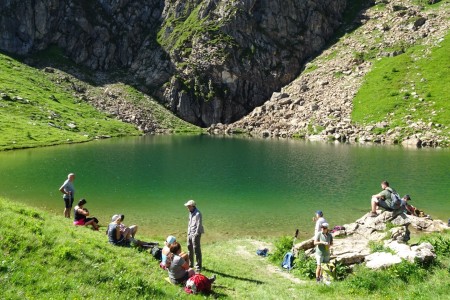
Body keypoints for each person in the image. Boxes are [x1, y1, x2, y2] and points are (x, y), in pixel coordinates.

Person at [185, 199, 204, 272]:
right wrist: (188, 233)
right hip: (189, 233)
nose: (187, 208)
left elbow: (199, 225)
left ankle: (198, 266)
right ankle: (190, 264)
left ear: (192, 206)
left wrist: (196, 234)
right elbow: (189, 223)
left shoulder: (198, 214)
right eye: (187, 206)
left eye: (188, 206)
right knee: (189, 248)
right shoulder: (190, 212)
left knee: (196, 250)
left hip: (195, 234)